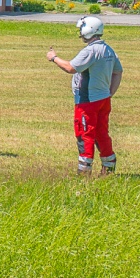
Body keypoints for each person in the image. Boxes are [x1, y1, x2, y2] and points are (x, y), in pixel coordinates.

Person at [47, 16, 123, 176]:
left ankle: (84, 172)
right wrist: (109, 93)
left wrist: (54, 58)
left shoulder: (91, 50)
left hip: (87, 101)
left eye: (81, 30)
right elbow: (118, 72)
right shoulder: (108, 49)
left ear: (89, 30)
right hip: (103, 99)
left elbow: (70, 68)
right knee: (101, 133)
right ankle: (108, 168)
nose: (80, 33)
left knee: (84, 134)